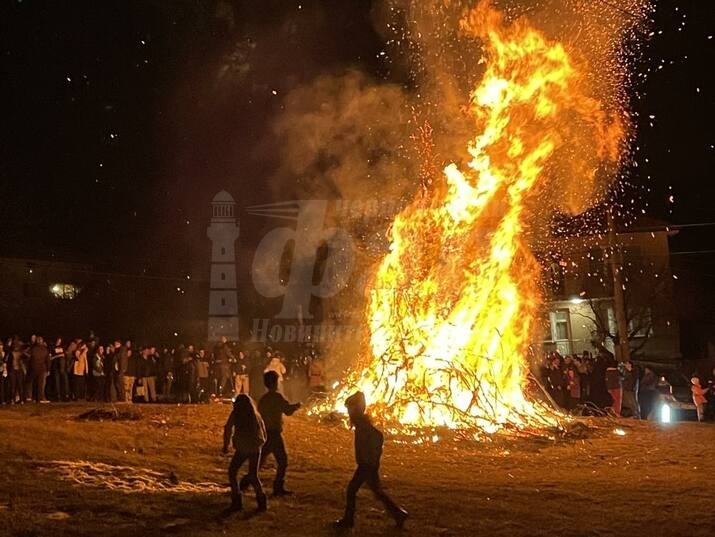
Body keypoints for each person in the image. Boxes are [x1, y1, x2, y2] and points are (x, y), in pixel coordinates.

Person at [334, 391, 408, 530]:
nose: (349, 412)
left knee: (351, 490)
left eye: (350, 408)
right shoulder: (360, 424)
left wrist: (371, 459)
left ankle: (348, 520)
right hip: (367, 464)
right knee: (377, 492)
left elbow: (377, 436)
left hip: (366, 465)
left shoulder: (363, 425)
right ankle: (399, 513)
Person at [240, 371, 300, 496]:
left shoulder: (264, 399)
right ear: (275, 383)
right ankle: (278, 487)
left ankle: (244, 483)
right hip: (274, 434)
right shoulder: (277, 397)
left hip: (265, 433)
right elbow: (287, 410)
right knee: (282, 461)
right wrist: (296, 406)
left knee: (260, 461)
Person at [222, 394, 268, 512]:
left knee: (232, 472)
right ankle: (261, 500)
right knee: (253, 475)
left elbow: (228, 428)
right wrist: (260, 444)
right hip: (255, 447)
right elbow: (263, 431)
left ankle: (237, 499)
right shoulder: (256, 415)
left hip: (243, 447)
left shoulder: (236, 414)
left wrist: (226, 445)